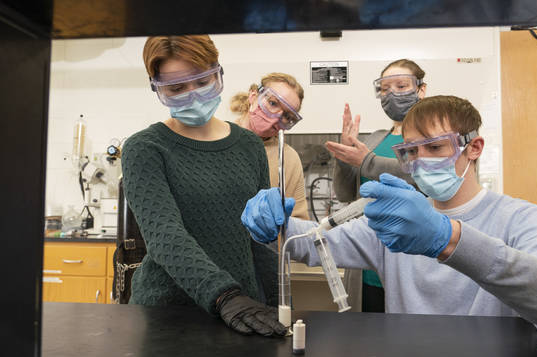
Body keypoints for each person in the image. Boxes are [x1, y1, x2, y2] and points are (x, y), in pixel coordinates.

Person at [241, 95, 537, 335]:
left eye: (436, 147)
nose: (421, 160)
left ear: (473, 147)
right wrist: (276, 223)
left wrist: (449, 239)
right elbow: (314, 242)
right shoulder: (399, 221)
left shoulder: (520, 218)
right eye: (411, 151)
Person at [121, 35, 286, 337]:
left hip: (243, 312)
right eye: (177, 89)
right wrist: (224, 295)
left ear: (218, 73)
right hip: (168, 315)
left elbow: (257, 238)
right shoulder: (144, 148)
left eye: (201, 81)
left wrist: (279, 299)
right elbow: (164, 235)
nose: (193, 96)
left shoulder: (249, 145)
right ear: (157, 90)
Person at [324, 59, 427, 312]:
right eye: (384, 88)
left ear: (421, 90)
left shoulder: (430, 139)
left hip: (412, 257)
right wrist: (346, 156)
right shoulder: (375, 138)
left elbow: (420, 178)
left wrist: (366, 161)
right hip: (367, 262)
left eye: (401, 86)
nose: (392, 94)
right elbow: (348, 193)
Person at [230, 73, 309, 221]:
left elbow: (299, 220)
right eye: (273, 103)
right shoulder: (220, 138)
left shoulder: (287, 158)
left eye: (287, 116)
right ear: (253, 96)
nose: (277, 117)